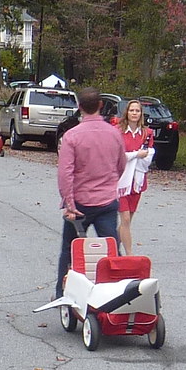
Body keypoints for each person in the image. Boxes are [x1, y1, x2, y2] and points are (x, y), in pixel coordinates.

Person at [56, 86, 126, 297]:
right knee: (111, 248)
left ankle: (62, 293)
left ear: (79, 107)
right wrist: (109, 183)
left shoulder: (72, 136)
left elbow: (65, 173)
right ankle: (118, 293)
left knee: (70, 250)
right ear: (100, 105)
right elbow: (121, 164)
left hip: (80, 204)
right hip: (106, 201)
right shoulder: (114, 134)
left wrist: (69, 203)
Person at [117, 99, 155, 255]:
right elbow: (117, 156)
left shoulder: (147, 133)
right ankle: (129, 255)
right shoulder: (118, 131)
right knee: (124, 219)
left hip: (137, 181)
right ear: (127, 112)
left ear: (141, 114)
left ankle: (113, 246)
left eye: (137, 111)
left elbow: (148, 156)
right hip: (121, 181)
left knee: (127, 222)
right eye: (132, 110)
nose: (134, 113)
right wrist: (135, 155)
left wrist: (141, 156)